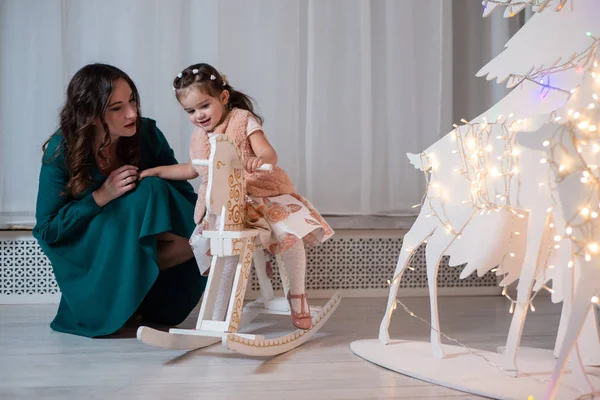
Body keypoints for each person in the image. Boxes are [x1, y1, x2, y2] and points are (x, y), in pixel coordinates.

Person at [140, 63, 334, 329]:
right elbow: (191, 168)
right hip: (224, 204)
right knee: (224, 252)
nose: (199, 115)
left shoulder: (243, 120)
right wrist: (157, 171)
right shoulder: (200, 136)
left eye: (204, 106)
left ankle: (297, 293)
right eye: (190, 111)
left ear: (223, 97)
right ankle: (218, 318)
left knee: (290, 235)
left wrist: (257, 160)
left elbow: (269, 154)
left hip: (258, 192)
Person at [33, 63, 206, 338]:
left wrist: (216, 222)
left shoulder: (147, 134)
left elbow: (182, 196)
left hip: (140, 244)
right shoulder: (61, 150)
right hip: (92, 252)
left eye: (132, 101)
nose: (132, 114)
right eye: (116, 108)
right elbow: (46, 230)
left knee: (169, 203)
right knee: (150, 189)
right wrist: (101, 197)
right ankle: (111, 293)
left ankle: (140, 291)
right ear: (89, 113)